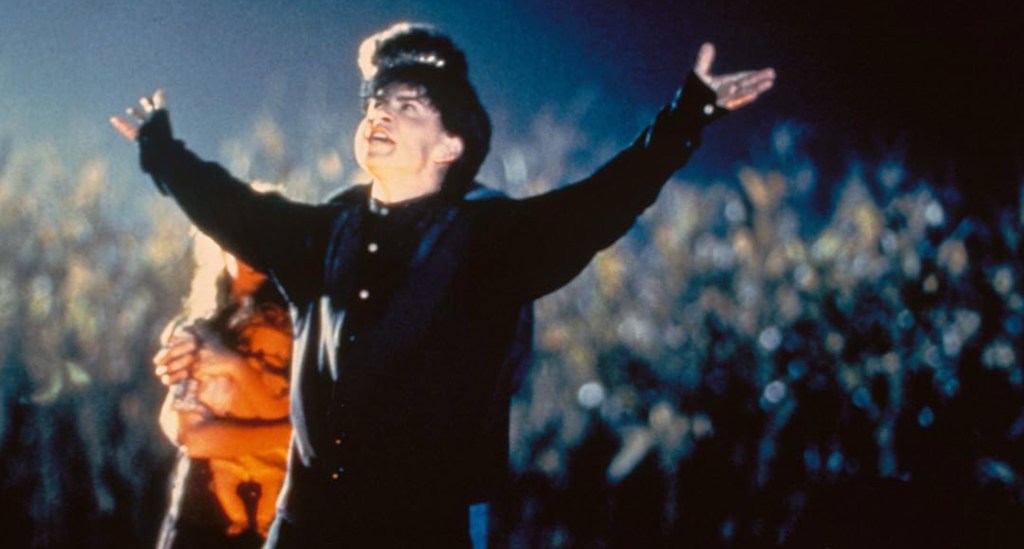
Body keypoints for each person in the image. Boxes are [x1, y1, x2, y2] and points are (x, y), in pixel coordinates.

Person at [111, 22, 774, 547]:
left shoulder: (492, 240)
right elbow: (230, 207)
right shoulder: (323, 231)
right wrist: (159, 148)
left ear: (452, 142)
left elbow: (599, 204)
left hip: (422, 527)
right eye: (375, 101)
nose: (379, 112)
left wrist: (688, 114)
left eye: (407, 104)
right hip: (307, 525)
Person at [153, 230, 292, 548]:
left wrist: (235, 367)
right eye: (242, 245)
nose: (253, 258)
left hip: (277, 519)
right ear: (220, 247)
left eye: (264, 244)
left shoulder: (300, 327)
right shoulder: (199, 331)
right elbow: (193, 437)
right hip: (200, 517)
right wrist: (287, 434)